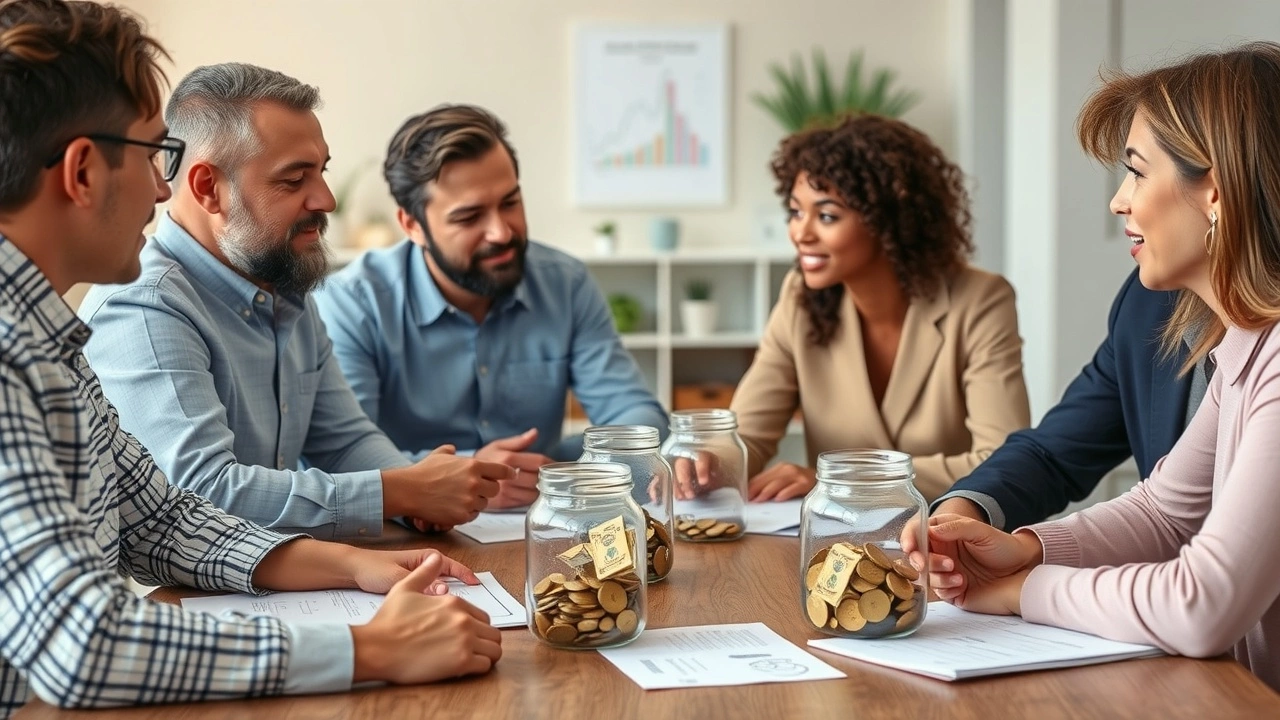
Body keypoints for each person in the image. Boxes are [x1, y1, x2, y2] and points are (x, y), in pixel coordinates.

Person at [0, 1, 499, 714]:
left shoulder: (50, 342)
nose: (161, 189)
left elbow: (162, 521)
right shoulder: (10, 353)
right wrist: (370, 649)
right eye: (153, 156)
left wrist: (361, 566)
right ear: (83, 172)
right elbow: (83, 644)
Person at [924, 42, 1280, 692]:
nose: (1119, 201)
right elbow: (1164, 514)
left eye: (1138, 173)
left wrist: (1021, 589)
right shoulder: (1244, 345)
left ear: (1217, 193)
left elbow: (1201, 605)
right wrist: (1026, 547)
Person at [79, 65, 516, 538]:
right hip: (181, 600)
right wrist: (401, 492)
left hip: (290, 580)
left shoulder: (281, 280)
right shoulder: (144, 306)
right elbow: (201, 494)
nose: (326, 199)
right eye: (293, 180)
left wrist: (421, 496)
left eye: (322, 172)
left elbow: (345, 441)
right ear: (208, 188)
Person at [312, 104, 667, 492]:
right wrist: (463, 475)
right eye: (469, 217)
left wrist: (585, 467)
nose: (501, 232)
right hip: (408, 533)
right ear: (412, 225)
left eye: (510, 203)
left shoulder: (565, 284)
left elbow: (632, 413)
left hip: (539, 519)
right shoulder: (353, 304)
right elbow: (343, 454)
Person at [714, 114, 1030, 504]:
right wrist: (709, 462)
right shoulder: (800, 297)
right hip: (833, 543)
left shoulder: (980, 300)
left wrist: (838, 482)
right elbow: (748, 435)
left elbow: (1003, 458)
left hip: (948, 537)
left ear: (888, 219)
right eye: (796, 212)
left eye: (827, 216)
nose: (801, 233)